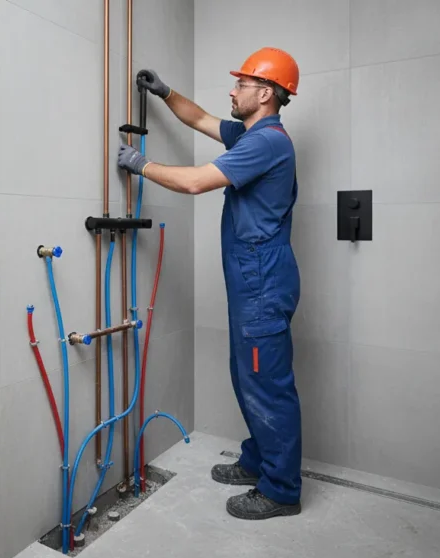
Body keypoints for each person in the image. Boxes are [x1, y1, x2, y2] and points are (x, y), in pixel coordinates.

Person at [117, 48, 302, 520]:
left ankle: (281, 489)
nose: (232, 90)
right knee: (248, 377)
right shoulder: (251, 133)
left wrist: (142, 166)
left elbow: (198, 182)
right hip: (251, 278)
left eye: (241, 84)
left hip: (262, 282)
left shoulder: (267, 143)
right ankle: (259, 461)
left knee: (266, 384)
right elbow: (200, 118)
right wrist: (164, 93)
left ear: (265, 93)